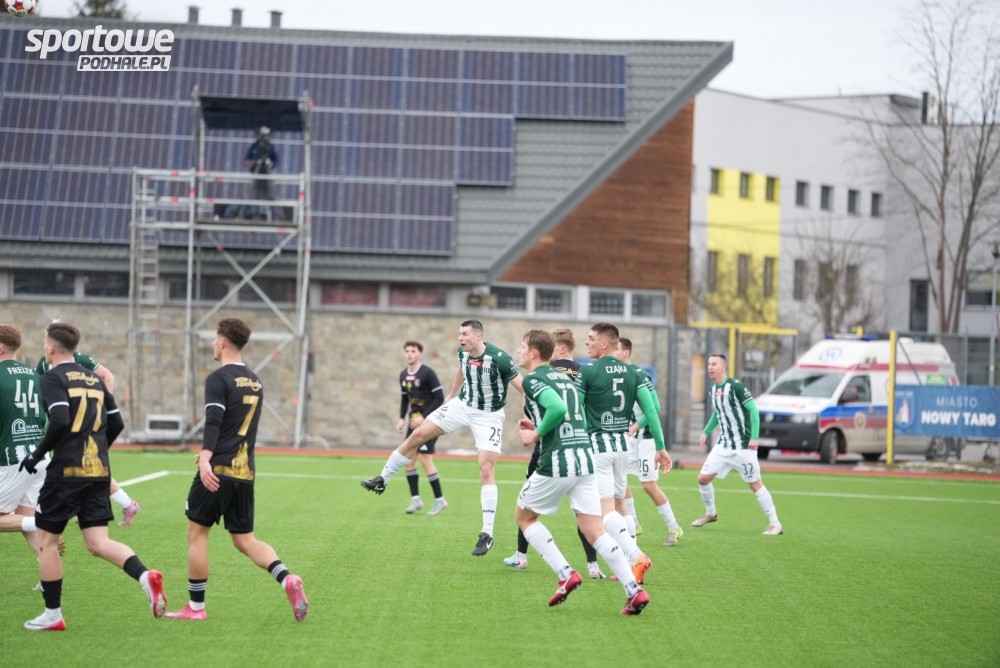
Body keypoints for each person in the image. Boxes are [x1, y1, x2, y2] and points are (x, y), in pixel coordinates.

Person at [18, 321, 166, 631]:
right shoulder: (94, 379)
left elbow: (60, 419)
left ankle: (53, 615)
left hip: (66, 473)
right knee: (98, 542)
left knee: (46, 540)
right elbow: (117, 423)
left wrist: (37, 454)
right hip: (97, 471)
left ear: (50, 348)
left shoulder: (51, 377)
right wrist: (97, 450)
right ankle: (144, 576)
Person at [166, 317, 308, 622]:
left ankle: (196, 608)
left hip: (217, 471)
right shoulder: (255, 381)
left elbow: (215, 421)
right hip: (245, 473)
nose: (213, 344)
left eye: (214, 339)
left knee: (196, 534)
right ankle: (286, 578)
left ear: (222, 342)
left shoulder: (218, 379)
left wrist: (206, 456)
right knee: (245, 540)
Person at [513, 329, 649, 615]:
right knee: (594, 529)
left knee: (524, 517)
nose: (518, 351)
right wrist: (539, 423)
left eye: (522, 347)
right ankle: (633, 590)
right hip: (585, 459)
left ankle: (565, 574)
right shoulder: (564, 378)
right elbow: (573, 415)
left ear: (534, 352)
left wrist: (536, 434)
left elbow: (556, 408)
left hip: (558, 459)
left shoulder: (533, 379)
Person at [362, 319, 523, 557]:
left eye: (465, 334)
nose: (460, 338)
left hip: (488, 415)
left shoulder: (500, 359)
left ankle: (487, 533)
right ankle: (382, 479)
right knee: (417, 434)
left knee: (486, 469)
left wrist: (530, 416)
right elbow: (461, 369)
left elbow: (523, 388)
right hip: (462, 405)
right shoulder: (463, 352)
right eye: (459, 333)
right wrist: (451, 395)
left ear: (479, 336)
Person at [504, 327, 606, 580]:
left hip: (552, 448)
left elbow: (549, 408)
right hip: (583, 447)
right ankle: (593, 565)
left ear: (557, 348)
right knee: (586, 516)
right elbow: (583, 410)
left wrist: (536, 431)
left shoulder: (543, 374)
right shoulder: (582, 372)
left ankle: (522, 555)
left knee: (527, 507)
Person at [577, 323, 669, 585]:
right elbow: (651, 411)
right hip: (622, 447)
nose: (587, 343)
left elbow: (577, 410)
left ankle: (637, 556)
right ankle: (631, 564)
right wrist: (660, 447)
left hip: (599, 448)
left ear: (605, 344)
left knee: (604, 511)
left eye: (591, 339)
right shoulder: (635, 373)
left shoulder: (588, 371)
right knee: (620, 504)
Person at [36, 348, 141, 527]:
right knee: (85, 468)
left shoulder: (80, 359)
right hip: (65, 425)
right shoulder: (44, 363)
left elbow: (108, 377)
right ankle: (97, 506)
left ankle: (126, 504)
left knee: (86, 466)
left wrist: (101, 406)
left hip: (81, 426)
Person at [693, 353, 783, 535]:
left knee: (755, 484)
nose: (710, 367)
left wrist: (754, 437)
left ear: (723, 367)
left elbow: (753, 409)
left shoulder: (736, 387)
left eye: (714, 364)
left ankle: (775, 523)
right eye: (709, 364)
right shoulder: (713, 390)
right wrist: (706, 431)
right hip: (723, 446)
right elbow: (718, 413)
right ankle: (711, 513)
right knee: (703, 479)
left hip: (743, 447)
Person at [619, 337, 683, 547]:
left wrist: (637, 425)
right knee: (619, 479)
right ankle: (634, 523)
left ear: (626, 352)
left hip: (646, 439)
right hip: (629, 439)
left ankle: (674, 528)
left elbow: (655, 408)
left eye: (616, 348)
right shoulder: (615, 375)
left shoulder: (640, 375)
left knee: (648, 485)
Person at [0, 325, 48, 556]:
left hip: (13, 458)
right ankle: (48, 571)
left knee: (26, 521)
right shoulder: (35, 376)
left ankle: (41, 523)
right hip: (39, 456)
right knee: (23, 518)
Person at [397, 340, 448, 515]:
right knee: (408, 459)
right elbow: (405, 399)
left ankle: (440, 501)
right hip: (413, 423)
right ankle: (416, 500)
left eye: (413, 351)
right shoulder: (403, 375)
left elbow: (439, 398)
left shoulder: (428, 373)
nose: (409, 354)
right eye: (407, 351)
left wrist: (424, 417)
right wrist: (401, 419)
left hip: (430, 423)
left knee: (425, 459)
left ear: (420, 354)